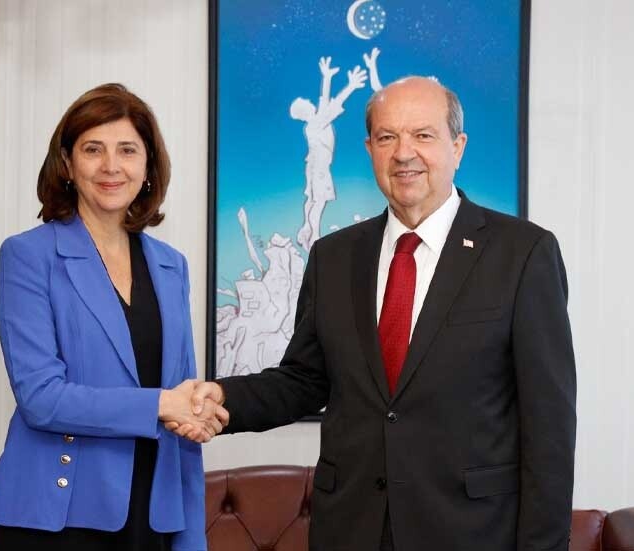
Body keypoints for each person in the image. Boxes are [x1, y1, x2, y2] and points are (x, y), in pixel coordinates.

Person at [179, 77, 576, 550]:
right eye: (387, 137)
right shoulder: (333, 257)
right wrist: (222, 398)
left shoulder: (523, 253)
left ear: (458, 146)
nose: (404, 153)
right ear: (370, 149)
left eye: (423, 135)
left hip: (472, 532)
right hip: (351, 529)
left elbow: (549, 427)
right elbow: (304, 380)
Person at [0, 83, 227, 551]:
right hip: (56, 520)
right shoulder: (28, 256)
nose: (111, 166)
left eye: (127, 150)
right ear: (67, 163)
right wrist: (160, 404)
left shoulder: (171, 266)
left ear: (148, 166)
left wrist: (191, 537)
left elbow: (185, 407)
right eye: (93, 149)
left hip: (153, 516)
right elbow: (41, 399)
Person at [291, 57, 367, 252]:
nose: (310, 102)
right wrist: (350, 86)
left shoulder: (315, 122)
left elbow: (325, 102)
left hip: (315, 166)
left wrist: (327, 77)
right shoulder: (316, 123)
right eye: (306, 103)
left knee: (313, 200)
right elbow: (333, 105)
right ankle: (314, 234)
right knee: (319, 201)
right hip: (319, 167)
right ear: (304, 110)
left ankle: (307, 229)